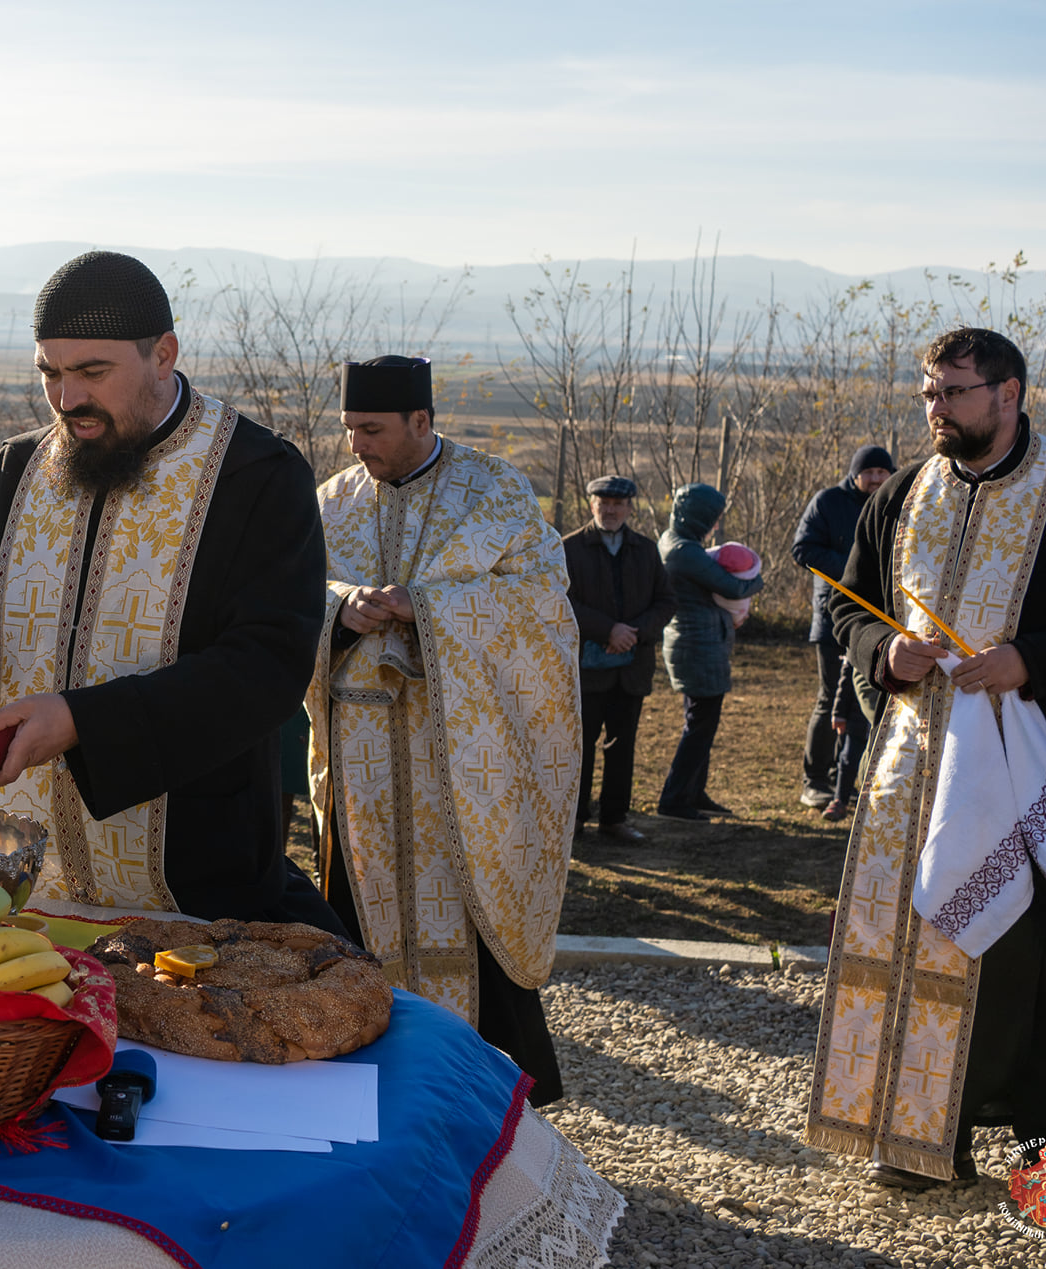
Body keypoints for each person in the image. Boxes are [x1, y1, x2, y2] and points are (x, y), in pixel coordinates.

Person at [0, 250, 342, 931]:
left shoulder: (258, 477)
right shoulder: (14, 472)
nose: (67, 399)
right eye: (50, 373)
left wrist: (84, 722)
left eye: (92, 372)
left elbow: (266, 667)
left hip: (196, 899)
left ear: (163, 355)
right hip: (17, 897)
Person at [807, 327, 1046, 1189]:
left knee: (1045, 968)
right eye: (929, 393)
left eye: (954, 392)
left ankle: (1044, 1159)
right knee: (925, 944)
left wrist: (1033, 659)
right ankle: (924, 1142)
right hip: (915, 775)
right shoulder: (902, 492)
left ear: (1009, 393)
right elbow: (850, 607)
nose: (937, 409)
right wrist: (885, 650)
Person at [305, 355, 579, 1105]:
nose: (356, 444)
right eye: (349, 428)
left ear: (421, 421)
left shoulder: (494, 493)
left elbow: (542, 604)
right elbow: (290, 594)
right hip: (360, 762)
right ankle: (368, 1087)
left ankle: (490, 1097)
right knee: (356, 917)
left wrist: (426, 609)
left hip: (459, 760)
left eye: (372, 429)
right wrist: (341, 607)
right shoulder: (330, 502)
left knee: (470, 910)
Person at [562, 475, 675, 845]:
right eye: (603, 503)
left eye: (617, 504)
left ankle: (614, 818)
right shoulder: (569, 548)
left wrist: (633, 634)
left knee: (622, 744)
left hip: (631, 667)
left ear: (629, 508)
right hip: (584, 667)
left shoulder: (645, 550)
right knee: (579, 745)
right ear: (591, 504)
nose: (610, 510)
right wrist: (608, 630)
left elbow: (665, 601)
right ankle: (574, 818)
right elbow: (560, 601)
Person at [790, 445, 895, 813]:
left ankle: (843, 781)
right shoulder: (828, 502)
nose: (876, 479)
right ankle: (814, 781)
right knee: (830, 699)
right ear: (855, 474)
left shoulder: (894, 501)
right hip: (834, 618)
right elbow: (803, 549)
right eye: (870, 472)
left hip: (878, 622)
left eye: (882, 472)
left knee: (862, 705)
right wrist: (855, 568)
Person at [653, 483, 764, 821]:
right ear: (697, 517)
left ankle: (693, 793)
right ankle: (674, 799)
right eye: (712, 518)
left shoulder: (675, 542)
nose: (715, 525)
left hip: (697, 643)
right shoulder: (684, 551)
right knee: (700, 725)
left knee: (701, 722)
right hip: (697, 646)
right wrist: (757, 581)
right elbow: (733, 586)